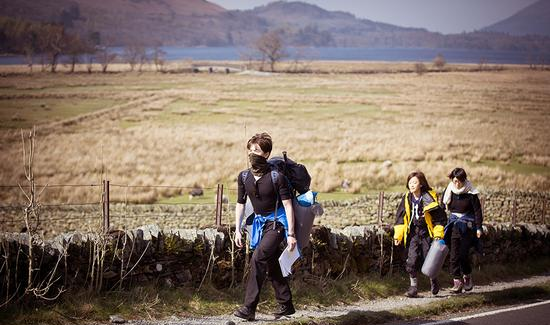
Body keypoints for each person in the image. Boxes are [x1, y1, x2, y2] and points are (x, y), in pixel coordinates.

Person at [233, 132, 297, 321]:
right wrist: (237, 229)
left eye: (257, 150)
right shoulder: (244, 177)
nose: (252, 153)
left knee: (258, 257)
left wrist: (291, 234)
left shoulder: (277, 177)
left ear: (267, 154)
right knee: (271, 261)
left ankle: (249, 308)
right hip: (259, 224)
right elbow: (240, 204)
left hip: (277, 223)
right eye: (251, 150)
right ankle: (286, 304)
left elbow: (288, 206)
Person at [394, 171, 447, 297]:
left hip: (427, 233)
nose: (411, 185)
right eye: (410, 182)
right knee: (411, 260)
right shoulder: (407, 198)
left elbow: (439, 218)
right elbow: (400, 218)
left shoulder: (429, 198)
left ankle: (433, 280)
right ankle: (413, 288)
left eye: (414, 182)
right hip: (413, 234)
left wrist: (438, 235)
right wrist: (398, 236)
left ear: (421, 184)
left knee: (428, 260)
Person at [442, 167, 483, 293]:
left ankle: (467, 276)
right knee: (453, 256)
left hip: (467, 227)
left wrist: (478, 227)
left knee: (462, 255)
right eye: (454, 181)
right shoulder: (449, 190)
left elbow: (477, 211)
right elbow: (442, 207)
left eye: (459, 181)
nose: (457, 183)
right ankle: (457, 282)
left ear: (464, 180)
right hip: (454, 226)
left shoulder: (471, 193)